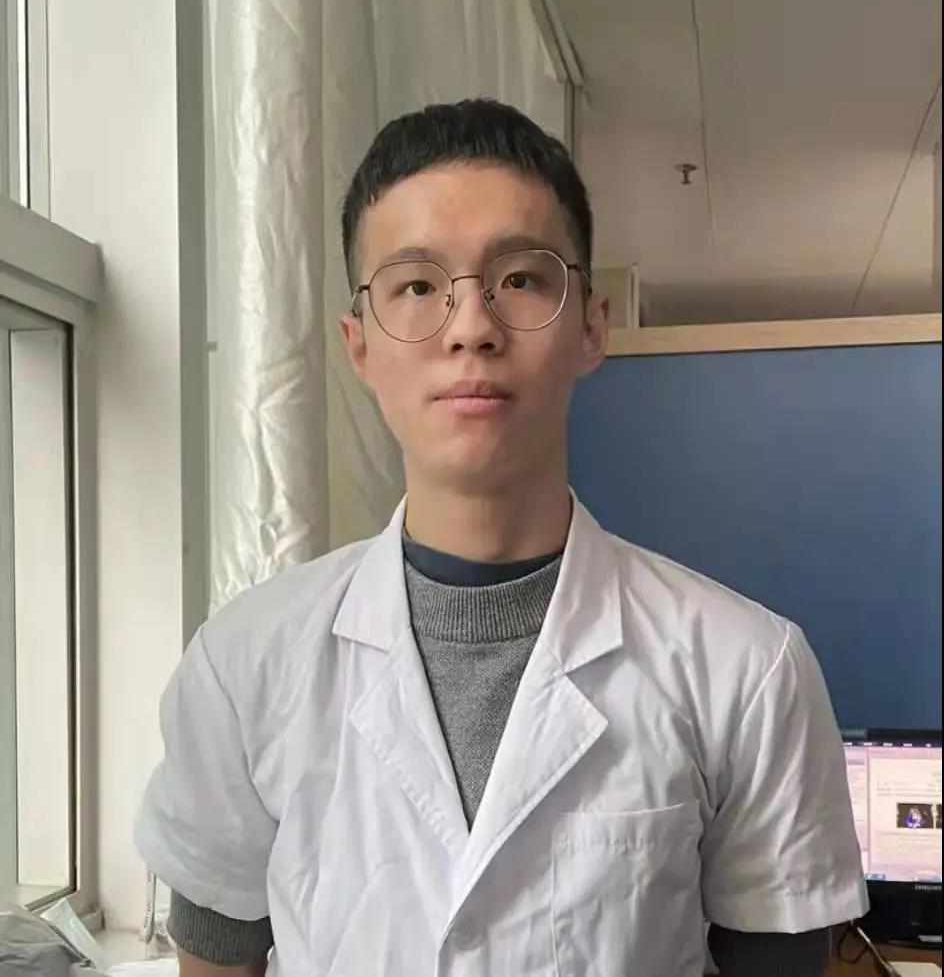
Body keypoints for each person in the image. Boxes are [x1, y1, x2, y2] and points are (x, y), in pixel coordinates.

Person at [136, 99, 867, 976]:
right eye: (416, 286)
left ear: (591, 325)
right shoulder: (244, 666)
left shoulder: (746, 670)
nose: (471, 327)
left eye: (520, 279)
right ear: (359, 345)